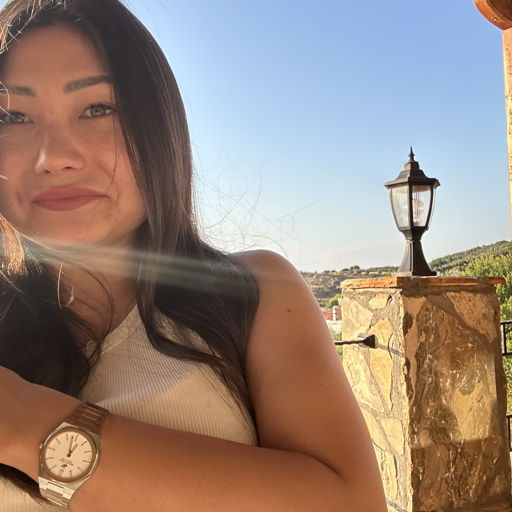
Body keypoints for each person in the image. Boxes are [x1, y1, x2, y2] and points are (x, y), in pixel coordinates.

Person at [0, 0, 387, 510]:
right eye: (12, 116)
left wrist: (29, 423)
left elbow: (350, 502)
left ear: (160, 127)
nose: (54, 157)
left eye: (98, 109)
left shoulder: (250, 293)